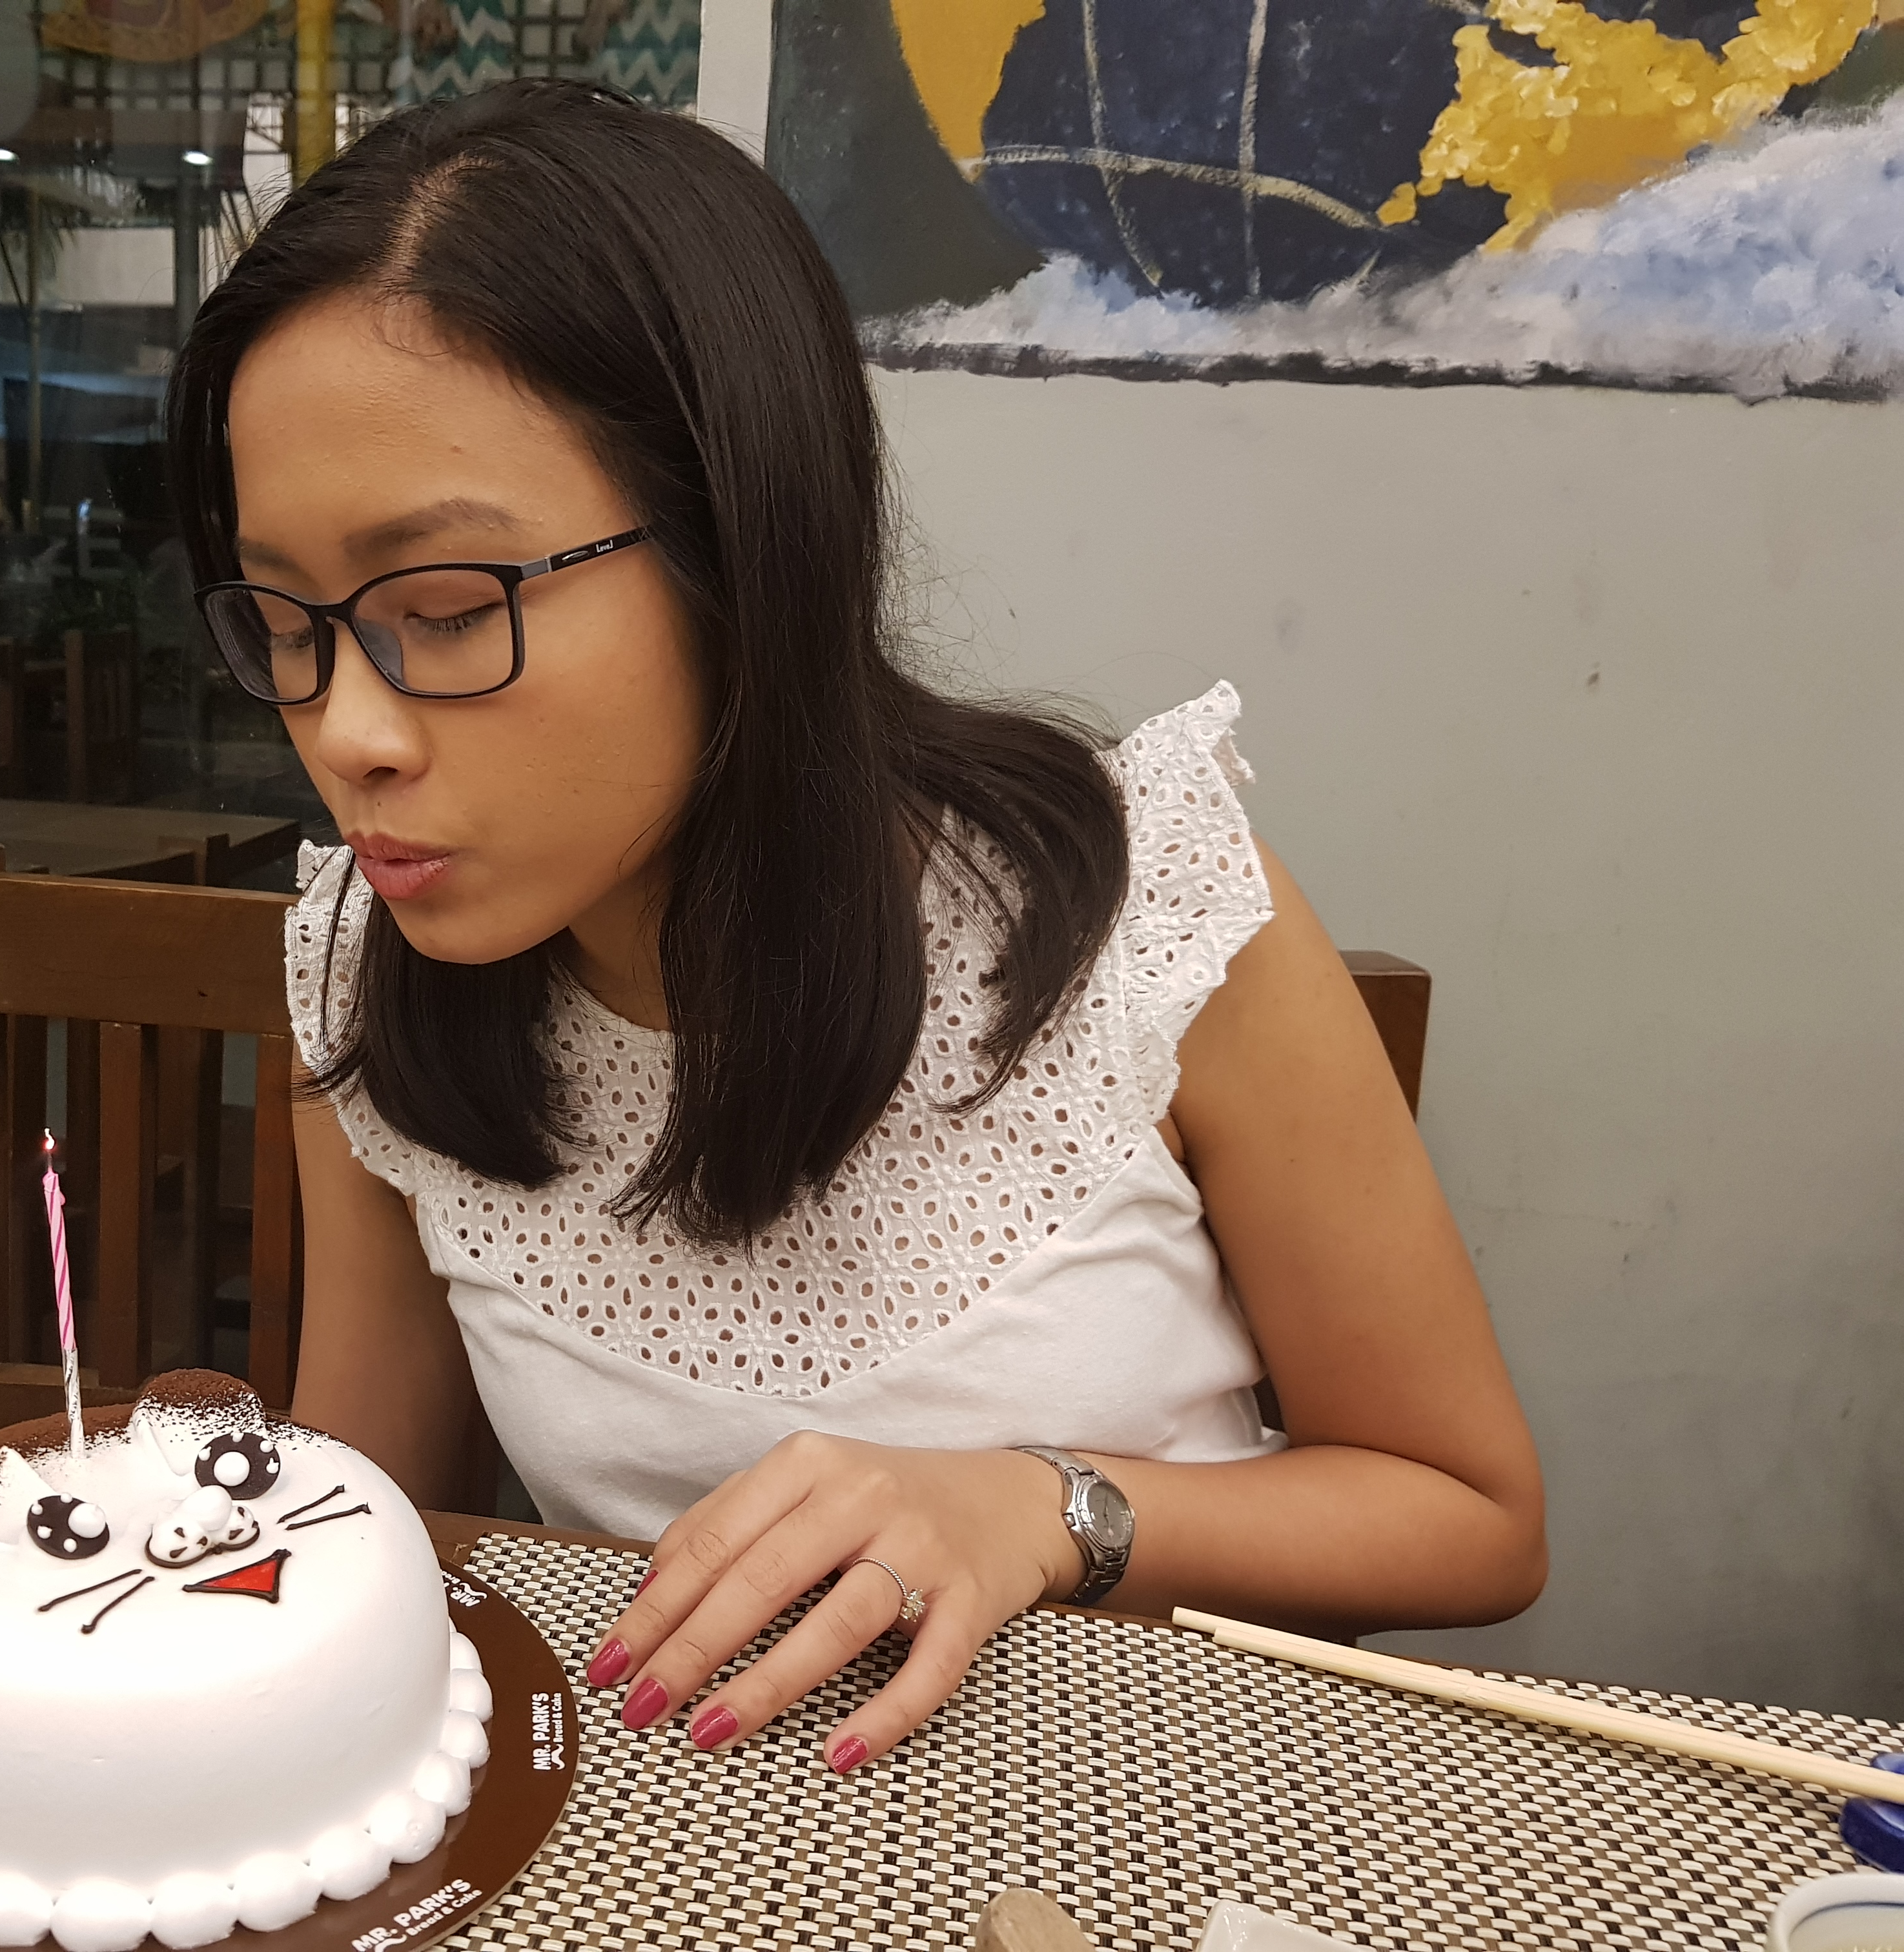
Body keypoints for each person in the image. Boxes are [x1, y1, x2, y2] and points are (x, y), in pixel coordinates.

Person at [166, 80, 1546, 1773]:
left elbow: (1471, 1519)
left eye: (446, 609)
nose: (345, 730)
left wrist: (1039, 1511)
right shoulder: (373, 982)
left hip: (1160, 1822)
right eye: (283, 621)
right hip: (685, 1830)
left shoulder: (1135, 913)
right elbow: (369, 1537)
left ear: (745, 546)